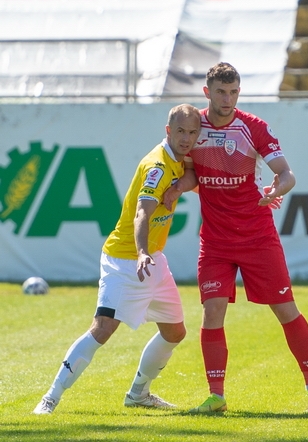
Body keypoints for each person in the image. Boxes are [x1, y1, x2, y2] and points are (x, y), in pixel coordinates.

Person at [176, 62, 308, 413]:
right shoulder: (193, 126)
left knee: (286, 310)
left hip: (257, 236)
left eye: (233, 92)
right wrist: (174, 189)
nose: (227, 99)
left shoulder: (253, 127)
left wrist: (279, 187)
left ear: (238, 92)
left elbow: (287, 173)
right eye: (220, 92)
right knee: (212, 313)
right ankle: (216, 396)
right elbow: (189, 173)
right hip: (214, 241)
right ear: (207, 93)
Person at [33, 104, 202, 415]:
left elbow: (192, 173)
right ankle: (50, 397)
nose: (187, 138)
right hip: (126, 261)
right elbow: (142, 214)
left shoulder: (180, 160)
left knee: (175, 332)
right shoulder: (158, 166)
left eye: (193, 132)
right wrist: (140, 252)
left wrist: (178, 188)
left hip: (154, 263)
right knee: (102, 330)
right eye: (181, 132)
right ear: (168, 131)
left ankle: (138, 393)